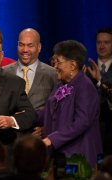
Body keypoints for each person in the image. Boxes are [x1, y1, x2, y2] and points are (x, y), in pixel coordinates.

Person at [39, 40, 102, 168]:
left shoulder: (85, 87)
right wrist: (19, 118)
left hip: (78, 157)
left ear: (72, 65)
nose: (55, 66)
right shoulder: (61, 85)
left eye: (58, 62)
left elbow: (82, 122)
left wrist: (52, 139)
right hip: (60, 155)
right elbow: (47, 112)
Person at [3, 28, 57, 111]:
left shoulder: (52, 74)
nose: (25, 50)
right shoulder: (4, 72)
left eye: (30, 45)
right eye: (21, 45)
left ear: (39, 47)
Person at [86, 27, 112, 156]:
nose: (102, 46)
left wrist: (100, 81)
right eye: (99, 42)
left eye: (106, 42)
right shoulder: (85, 70)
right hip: (90, 131)